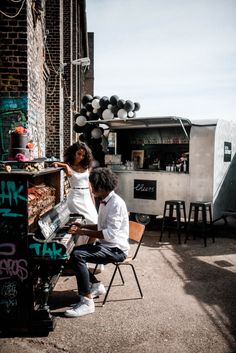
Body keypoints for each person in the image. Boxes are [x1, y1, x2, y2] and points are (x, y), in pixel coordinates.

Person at [64, 167, 130, 317]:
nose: (91, 188)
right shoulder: (105, 200)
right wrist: (83, 225)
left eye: (92, 185)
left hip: (117, 250)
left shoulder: (116, 204)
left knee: (78, 255)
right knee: (73, 253)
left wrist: (81, 232)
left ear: (101, 186)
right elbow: (102, 227)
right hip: (108, 245)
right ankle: (95, 285)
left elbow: (110, 234)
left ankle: (87, 302)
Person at [52, 142, 98, 245]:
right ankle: (77, 250)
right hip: (75, 198)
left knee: (96, 223)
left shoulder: (86, 167)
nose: (81, 157)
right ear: (74, 153)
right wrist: (65, 165)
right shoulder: (68, 166)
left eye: (83, 155)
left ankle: (86, 249)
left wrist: (93, 204)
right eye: (79, 154)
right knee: (77, 224)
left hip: (87, 196)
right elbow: (53, 164)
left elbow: (89, 187)